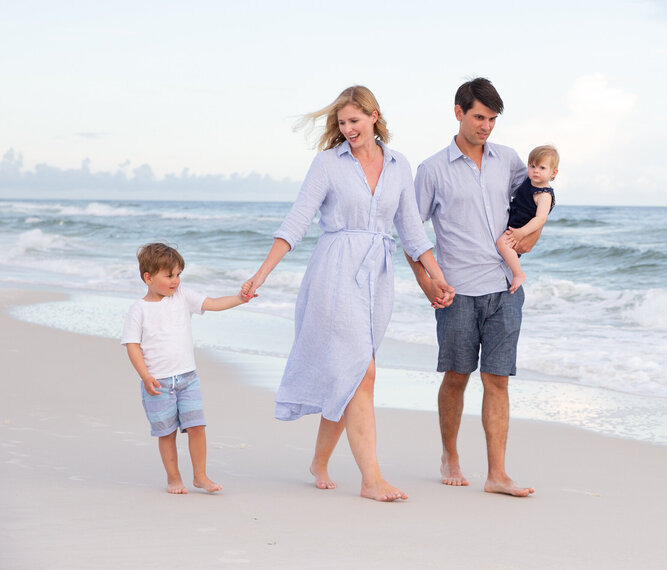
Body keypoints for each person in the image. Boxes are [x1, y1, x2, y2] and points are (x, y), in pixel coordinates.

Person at [242, 85, 452, 502]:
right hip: (334, 272)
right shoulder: (327, 164)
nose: (348, 129)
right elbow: (298, 219)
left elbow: (412, 230)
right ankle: (371, 478)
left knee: (350, 371)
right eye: (341, 123)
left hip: (378, 276)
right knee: (363, 371)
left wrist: (437, 277)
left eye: (354, 121)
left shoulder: (398, 165)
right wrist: (262, 273)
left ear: (374, 116)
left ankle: (319, 461)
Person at [408, 77, 536, 497]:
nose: (486, 126)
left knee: (498, 381)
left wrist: (530, 237)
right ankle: (449, 454)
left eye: (493, 119)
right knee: (457, 376)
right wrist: (426, 282)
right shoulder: (431, 170)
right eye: (479, 117)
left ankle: (497, 473)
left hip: (504, 290)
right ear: (459, 112)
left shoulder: (511, 161)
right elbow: (411, 231)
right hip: (456, 291)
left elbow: (529, 207)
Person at [122, 242, 251, 494]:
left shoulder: (183, 297)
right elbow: (132, 346)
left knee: (197, 427)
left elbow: (213, 303)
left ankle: (200, 476)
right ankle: (174, 479)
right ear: (148, 278)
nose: (175, 281)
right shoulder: (139, 310)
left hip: (188, 379)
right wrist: (145, 376)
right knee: (167, 434)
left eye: (178, 274)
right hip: (158, 384)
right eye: (169, 275)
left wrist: (239, 298)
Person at [496, 145, 559, 293]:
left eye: (542, 168)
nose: (536, 170)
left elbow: (540, 219)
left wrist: (521, 233)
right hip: (513, 221)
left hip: (520, 227)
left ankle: (518, 274)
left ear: (553, 173)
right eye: (532, 166)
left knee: (502, 243)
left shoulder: (544, 195)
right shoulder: (528, 181)